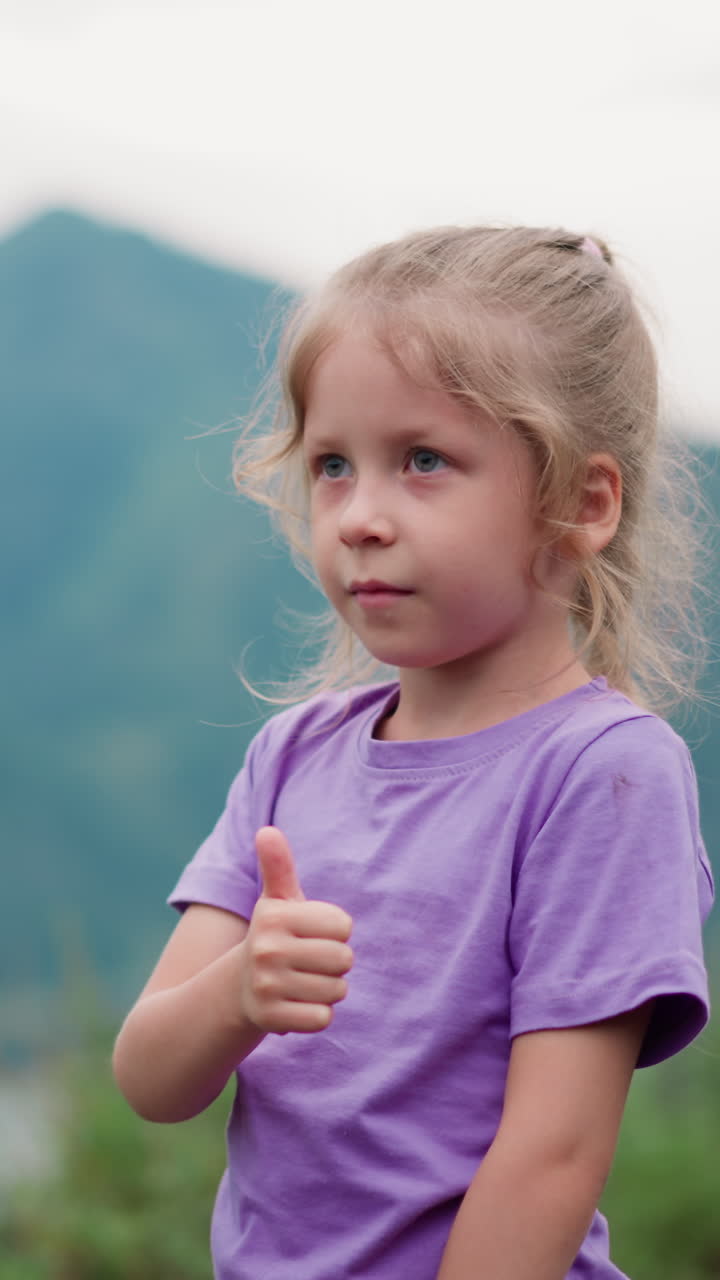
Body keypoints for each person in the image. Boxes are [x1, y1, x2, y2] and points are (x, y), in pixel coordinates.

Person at [113, 225, 714, 1280]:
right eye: (333, 466)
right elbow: (152, 1080)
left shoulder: (603, 772)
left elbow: (552, 1156)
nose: (358, 517)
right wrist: (237, 993)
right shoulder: (290, 756)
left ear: (584, 501)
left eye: (424, 460)